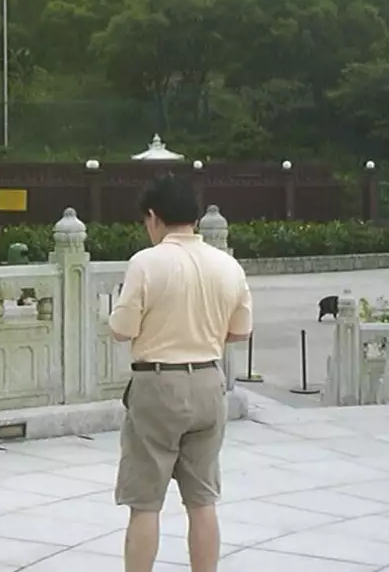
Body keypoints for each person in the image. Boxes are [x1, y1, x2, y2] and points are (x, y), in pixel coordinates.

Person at [108, 174, 253, 572]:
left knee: (145, 502)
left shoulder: (146, 262)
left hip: (158, 383)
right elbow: (240, 331)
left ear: (153, 217)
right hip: (209, 381)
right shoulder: (227, 265)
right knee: (203, 500)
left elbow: (122, 329)